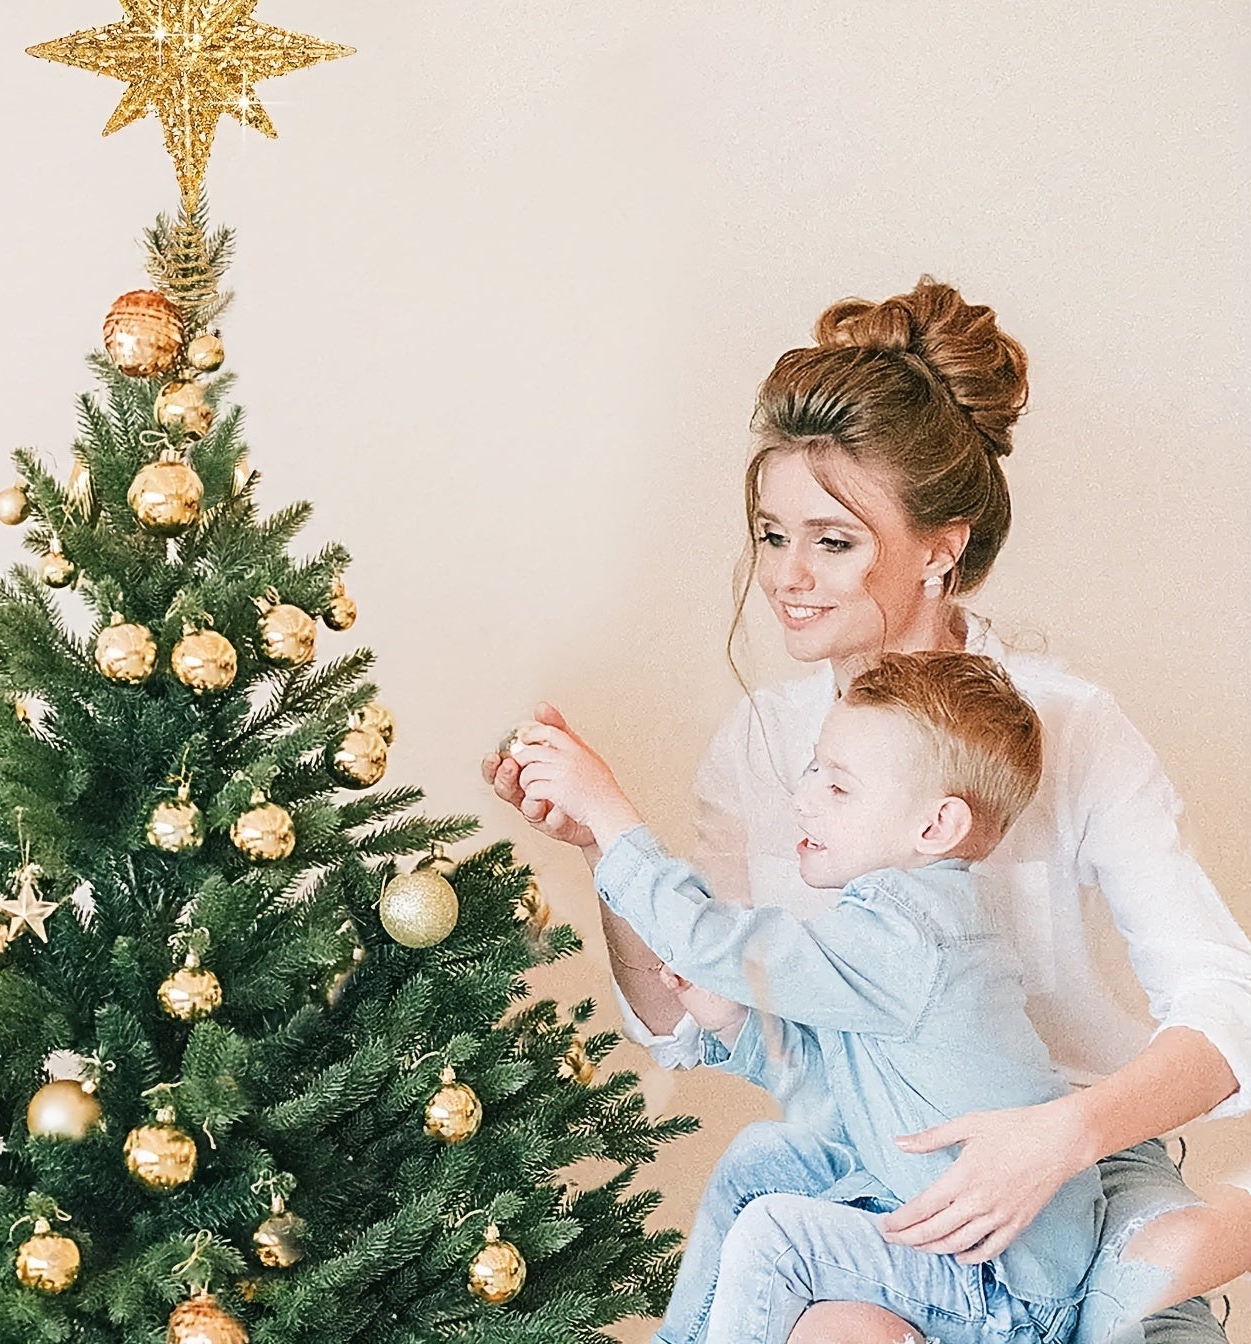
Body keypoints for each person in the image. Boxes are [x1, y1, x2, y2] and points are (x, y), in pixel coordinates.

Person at [484, 278, 1251, 1344]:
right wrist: (593, 848)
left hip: (1082, 1166)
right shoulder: (760, 743)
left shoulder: (1069, 726)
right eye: (769, 534)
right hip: (879, 1156)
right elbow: (691, 1018)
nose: (786, 579)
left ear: (941, 545)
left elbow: (1225, 1001)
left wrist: (1056, 1137)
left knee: (1146, 1291)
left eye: (831, 541)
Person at [511, 648, 1101, 1343]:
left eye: (840, 788)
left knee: (778, 1234)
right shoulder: (895, 926)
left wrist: (608, 814)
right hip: (929, 1214)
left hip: (1002, 1285)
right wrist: (734, 1024)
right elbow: (839, 1091)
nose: (804, 795)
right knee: (764, 1155)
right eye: (814, 767)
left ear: (935, 828)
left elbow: (713, 940)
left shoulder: (913, 934)